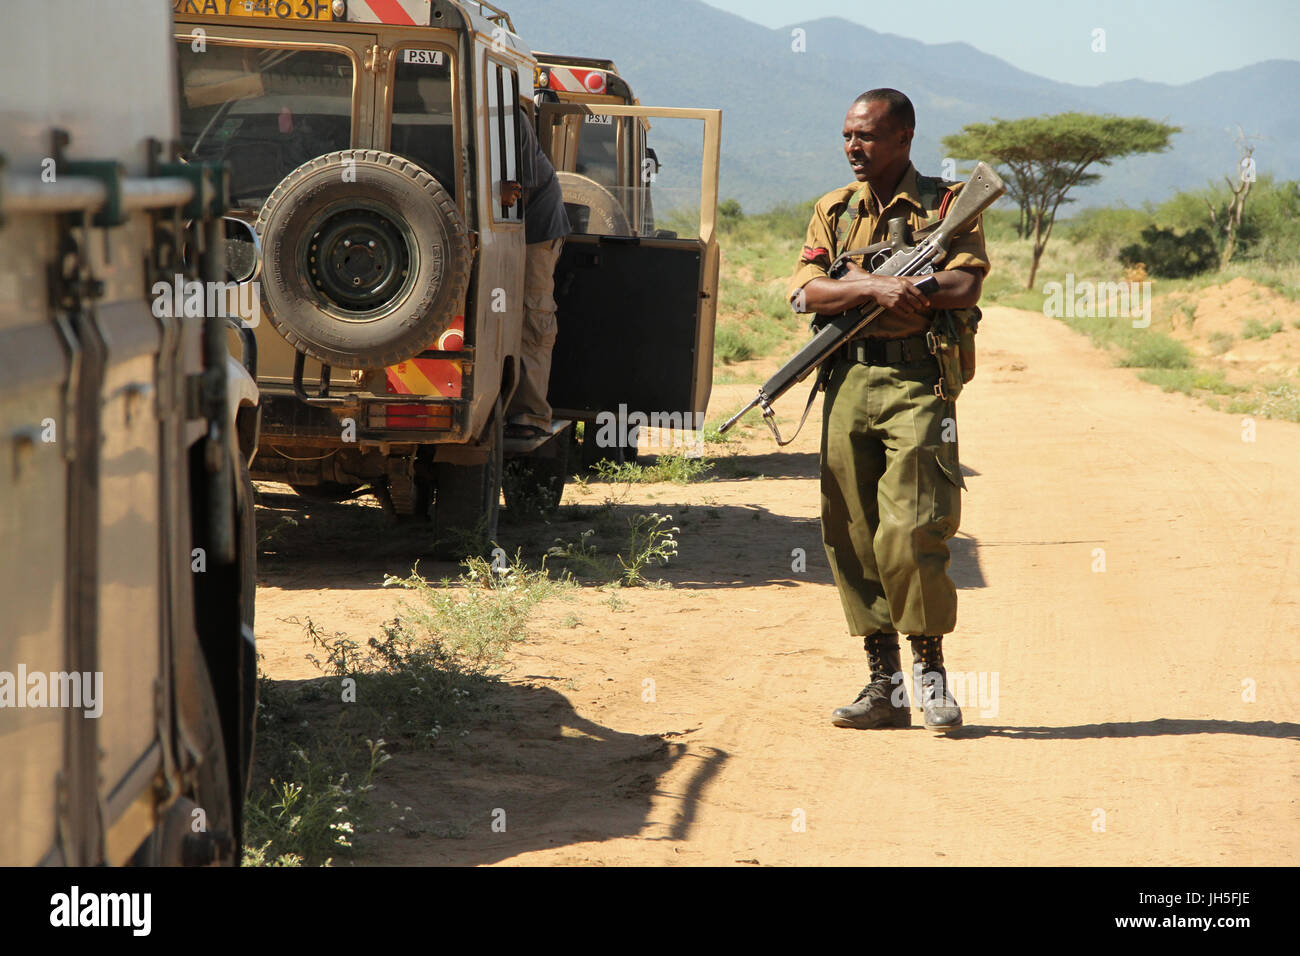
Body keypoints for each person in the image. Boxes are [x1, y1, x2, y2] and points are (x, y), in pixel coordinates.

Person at [787, 89, 991, 732]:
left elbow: (967, 281)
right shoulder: (834, 209)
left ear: (903, 138)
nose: (853, 147)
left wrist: (916, 287)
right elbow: (805, 290)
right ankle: (883, 686)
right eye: (848, 135)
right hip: (848, 378)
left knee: (913, 527)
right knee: (853, 531)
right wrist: (871, 285)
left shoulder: (949, 203)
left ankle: (930, 677)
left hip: (917, 382)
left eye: (867, 136)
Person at [500, 107, 571, 441]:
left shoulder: (505, 113)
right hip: (504, 226)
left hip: (535, 228)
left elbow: (514, 190)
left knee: (532, 315)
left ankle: (530, 414)